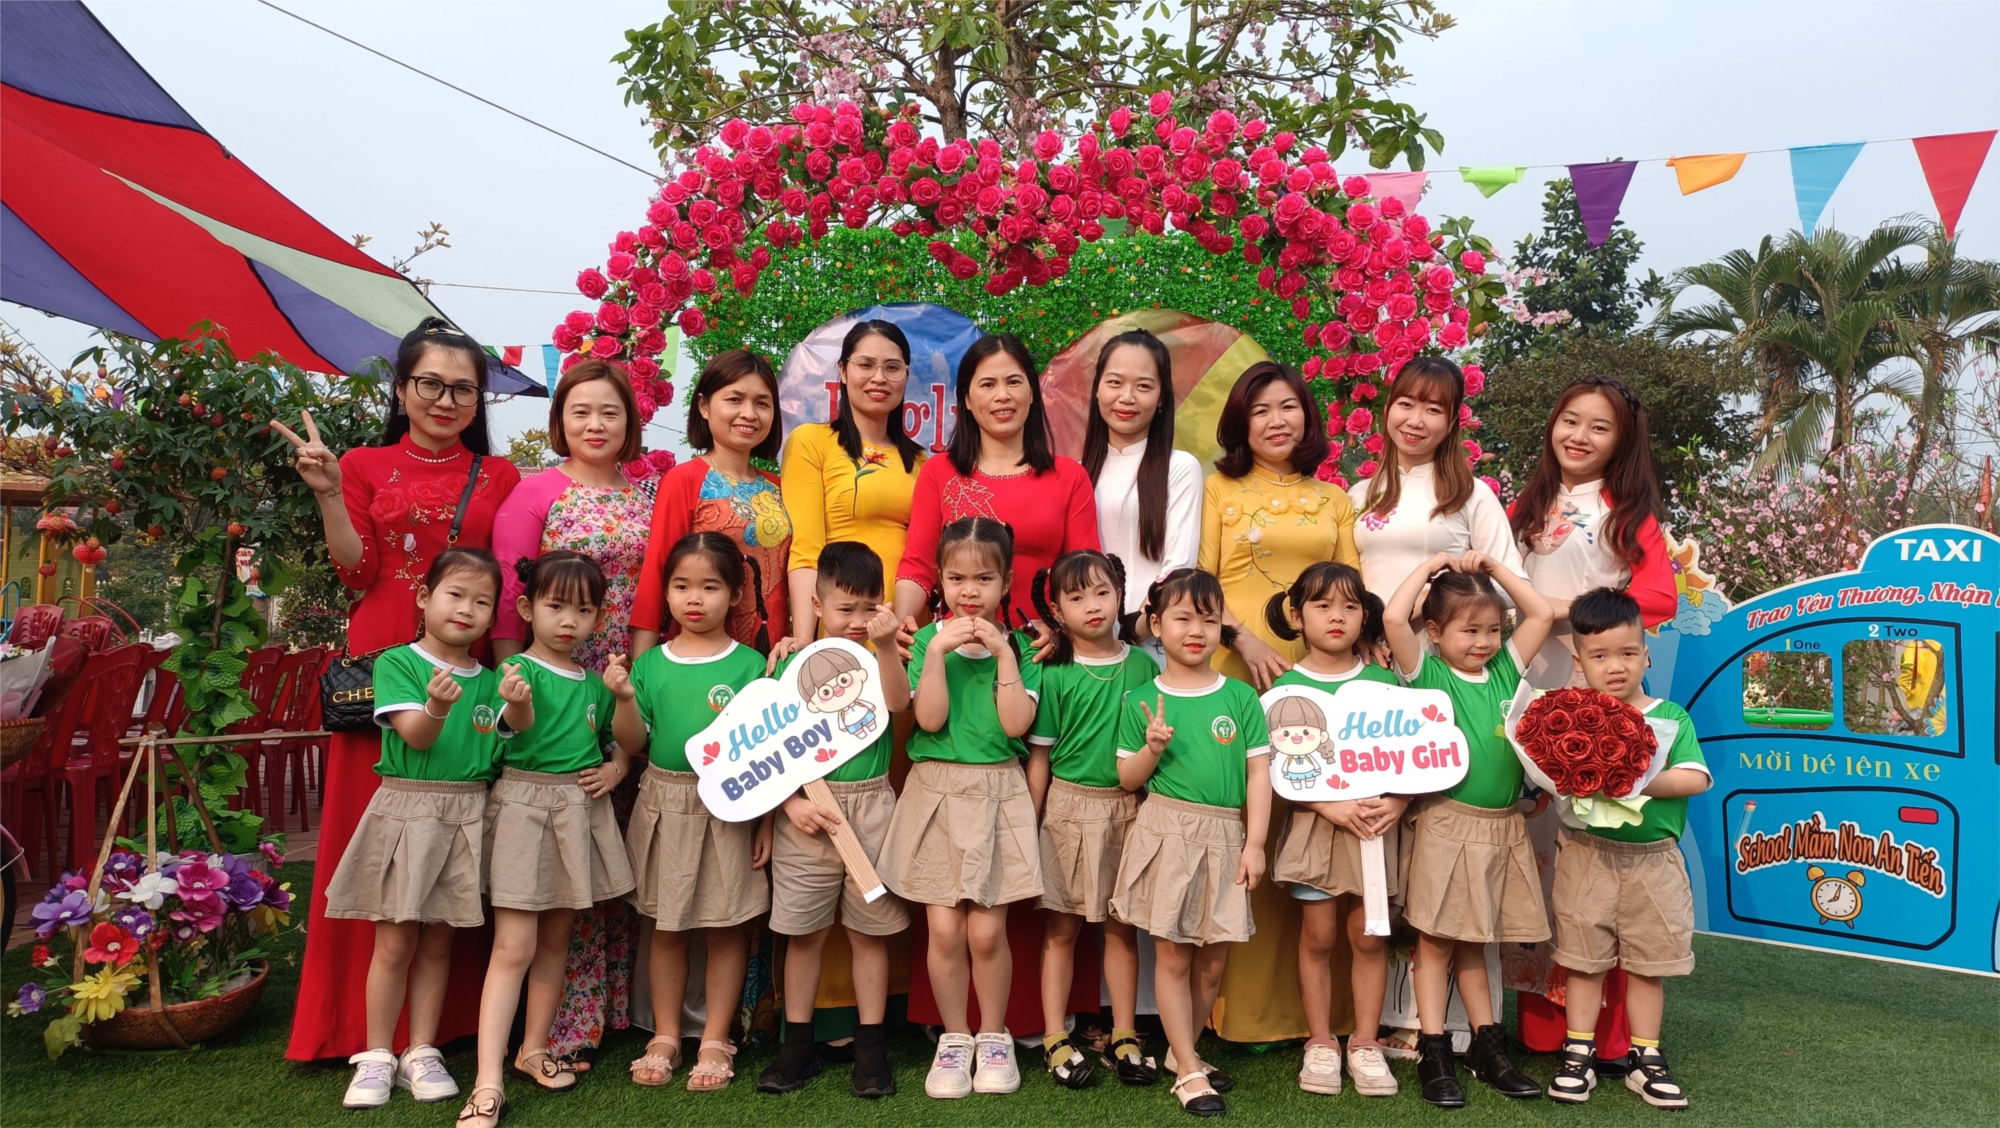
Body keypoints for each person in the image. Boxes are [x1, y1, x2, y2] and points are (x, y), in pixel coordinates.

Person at [280, 317, 521, 1064]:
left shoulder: (499, 476)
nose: (446, 401)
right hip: (383, 657)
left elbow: (503, 588)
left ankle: (438, 1030)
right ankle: (355, 1032)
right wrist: (329, 494)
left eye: (463, 390)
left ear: (479, 401)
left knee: (456, 831)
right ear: (401, 388)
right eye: (431, 384)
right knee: (370, 843)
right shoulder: (360, 463)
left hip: (464, 665)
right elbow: (357, 572)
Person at [1504, 374, 1677, 1070]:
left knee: (1593, 852)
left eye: (1599, 426)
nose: (1578, 436)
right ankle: (1542, 1027)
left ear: (1622, 440)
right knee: (1535, 850)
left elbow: (1659, 596)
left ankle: (1610, 1036)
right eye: (1570, 419)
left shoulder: (1627, 514)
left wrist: (1564, 612)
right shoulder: (1525, 506)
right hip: (1522, 685)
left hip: (1591, 694)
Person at [489, 358, 655, 1068]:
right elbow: (509, 603)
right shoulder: (534, 493)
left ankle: (615, 1007)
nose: (595, 424)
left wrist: (634, 686)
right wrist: (511, 683)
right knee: (558, 862)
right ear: (559, 420)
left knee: (612, 843)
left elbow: (652, 592)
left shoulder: (646, 497)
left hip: (619, 684)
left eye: (610, 412)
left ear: (630, 423)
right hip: (551, 686)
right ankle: (556, 1027)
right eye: (581, 411)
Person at [1198, 359, 1355, 1046]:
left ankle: (1322, 1017)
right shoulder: (1218, 488)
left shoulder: (1334, 499)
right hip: (1240, 670)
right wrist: (1243, 638)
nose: (1276, 420)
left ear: (1307, 416)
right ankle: (1239, 1011)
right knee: (1248, 829)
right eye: (1260, 409)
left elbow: (1354, 588)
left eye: (1288, 406)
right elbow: (1201, 583)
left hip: (1326, 678)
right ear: (1241, 421)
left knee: (1319, 826)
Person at [321, 548, 505, 1110]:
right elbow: (417, 737)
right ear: (425, 598)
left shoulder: (493, 681)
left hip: (468, 811)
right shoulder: (398, 663)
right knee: (396, 937)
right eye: (455, 595)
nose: (466, 609)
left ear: (493, 617)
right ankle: (377, 1054)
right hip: (408, 807)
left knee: (441, 939)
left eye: (482, 602)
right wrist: (437, 706)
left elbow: (500, 752)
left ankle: (422, 1050)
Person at [460, 554, 637, 1127]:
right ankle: (486, 1080)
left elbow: (623, 740)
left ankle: (533, 1049)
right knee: (513, 946)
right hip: (523, 807)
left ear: (599, 618)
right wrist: (517, 703)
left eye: (583, 611)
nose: (568, 621)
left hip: (577, 811)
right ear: (527, 607)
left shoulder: (595, 683)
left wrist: (617, 766)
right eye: (555, 606)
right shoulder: (516, 672)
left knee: (558, 938)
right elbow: (509, 727)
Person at [1383, 551, 1554, 1108]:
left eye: (1492, 630)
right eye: (1469, 630)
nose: (1483, 641)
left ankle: (1487, 1047)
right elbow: (1393, 618)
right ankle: (1433, 1050)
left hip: (1502, 828)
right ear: (1434, 631)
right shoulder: (1427, 674)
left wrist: (1496, 572)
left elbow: (1540, 615)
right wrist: (1433, 566)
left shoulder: (1504, 670)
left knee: (1478, 942)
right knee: (1435, 942)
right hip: (1446, 824)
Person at [880, 517, 1043, 1099]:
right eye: (956, 578)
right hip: (936, 790)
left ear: (1007, 582)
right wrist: (934, 654)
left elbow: (1016, 725)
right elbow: (927, 720)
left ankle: (994, 1037)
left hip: (998, 790)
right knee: (945, 929)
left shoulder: (1024, 647)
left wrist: (1004, 655)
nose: (969, 591)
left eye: (984, 578)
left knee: (987, 931)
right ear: (940, 581)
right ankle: (954, 1039)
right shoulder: (926, 641)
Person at [1108, 568, 1272, 1118]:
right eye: (1182, 618)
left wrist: (1255, 844)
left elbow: (1258, 774)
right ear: (1156, 625)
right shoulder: (1140, 699)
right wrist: (1152, 748)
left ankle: (1184, 1053)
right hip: (1166, 831)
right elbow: (1127, 778)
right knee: (1175, 957)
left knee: (1212, 962)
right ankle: (1187, 1070)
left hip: (1227, 834)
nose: (1196, 630)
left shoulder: (1241, 697)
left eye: (1208, 618)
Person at [618, 533, 774, 1092]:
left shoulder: (752, 667)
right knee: (666, 925)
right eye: (682, 586)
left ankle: (714, 1037)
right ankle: (665, 1034)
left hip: (730, 806)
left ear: (735, 595)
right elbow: (633, 742)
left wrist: (766, 823)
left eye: (710, 587)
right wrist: (623, 698)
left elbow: (770, 756)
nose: (694, 598)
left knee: (726, 926)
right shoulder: (649, 665)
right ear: (665, 592)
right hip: (664, 801)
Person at [1543, 588, 1710, 1111]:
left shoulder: (1670, 717)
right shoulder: (1570, 716)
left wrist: (1632, 776)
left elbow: (1696, 777)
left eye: (1628, 653)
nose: (1615, 666)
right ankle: (1578, 1053)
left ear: (1646, 655)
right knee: (1583, 960)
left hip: (1654, 862)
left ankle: (1646, 1057)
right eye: (1599, 655)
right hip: (1586, 854)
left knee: (1647, 964)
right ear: (1579, 661)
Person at [756, 542, 912, 1099]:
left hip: (872, 808)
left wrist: (886, 645)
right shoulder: (789, 664)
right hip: (808, 811)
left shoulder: (883, 655)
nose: (857, 620)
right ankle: (796, 1049)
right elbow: (767, 748)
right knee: (804, 934)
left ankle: (871, 1050)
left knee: (870, 935)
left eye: (870, 607)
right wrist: (789, 804)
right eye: (845, 608)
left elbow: (898, 704)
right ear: (818, 606)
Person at [1262, 562, 1404, 1099]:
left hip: (1374, 828)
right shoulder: (1284, 688)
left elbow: (1414, 753)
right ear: (1298, 616)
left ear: (1366, 616)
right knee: (1319, 935)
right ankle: (1321, 1041)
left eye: (1349, 606)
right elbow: (1273, 768)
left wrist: (1400, 799)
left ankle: (1365, 1043)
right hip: (1315, 828)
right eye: (1322, 606)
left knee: (1368, 936)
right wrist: (1328, 805)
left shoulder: (1386, 682)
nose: (1337, 616)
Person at [1025, 550, 1162, 1089]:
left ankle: (1124, 1033)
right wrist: (1031, 820)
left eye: (1102, 592)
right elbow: (1040, 755)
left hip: (1130, 810)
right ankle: (1054, 1036)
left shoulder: (1143, 666)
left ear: (1120, 595)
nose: (1092, 605)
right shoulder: (1055, 671)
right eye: (1077, 596)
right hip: (1066, 808)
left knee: (1121, 928)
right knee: (1061, 929)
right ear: (1057, 611)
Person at [895, 334, 1100, 634]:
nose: (1002, 395)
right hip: (961, 644)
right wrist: (902, 621)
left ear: (1032, 392)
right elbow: (918, 565)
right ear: (966, 399)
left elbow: (1085, 572)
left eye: (1014, 382)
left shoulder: (1070, 476)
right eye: (988, 384)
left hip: (1042, 646)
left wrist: (1059, 631)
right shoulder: (938, 471)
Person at [630, 350, 790, 654]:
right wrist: (641, 666)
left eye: (762, 403)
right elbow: (657, 573)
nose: (749, 413)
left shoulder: (779, 486)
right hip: (702, 653)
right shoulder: (684, 480)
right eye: (735, 399)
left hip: (774, 651)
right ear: (703, 406)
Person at [781, 319, 929, 639]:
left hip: (907, 629)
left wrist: (905, 624)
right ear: (844, 371)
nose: (879, 377)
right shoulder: (811, 441)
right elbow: (806, 550)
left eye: (893, 367)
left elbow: (924, 556)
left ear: (906, 375)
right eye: (866, 364)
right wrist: (805, 641)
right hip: (843, 629)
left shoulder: (920, 460)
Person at [1349, 356, 1524, 601]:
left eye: (1433, 410)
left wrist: (1442, 604)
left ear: (1451, 422)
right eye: (1406, 404)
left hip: (1436, 626)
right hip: (1368, 627)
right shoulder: (1359, 494)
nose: (1415, 421)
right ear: (1388, 409)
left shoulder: (1470, 493)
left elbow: (1515, 589)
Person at [1080, 330, 1202, 635]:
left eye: (1144, 386)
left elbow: (1178, 566)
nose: (1127, 397)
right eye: (1115, 382)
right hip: (1086, 637)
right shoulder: (1077, 473)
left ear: (1161, 398)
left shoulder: (1180, 468)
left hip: (1152, 638)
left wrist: (1134, 630)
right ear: (1097, 391)